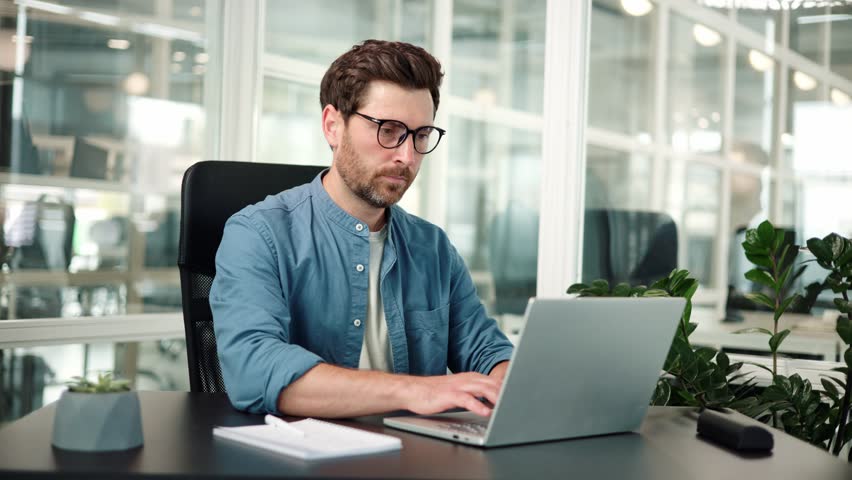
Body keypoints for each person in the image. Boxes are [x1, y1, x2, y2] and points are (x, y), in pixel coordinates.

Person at [210, 40, 513, 419]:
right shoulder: (257, 234)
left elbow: (487, 351)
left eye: (421, 135)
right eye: (388, 130)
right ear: (333, 126)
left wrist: (506, 382)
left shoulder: (432, 247)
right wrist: (414, 391)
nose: (407, 156)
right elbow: (255, 369)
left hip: (415, 458)